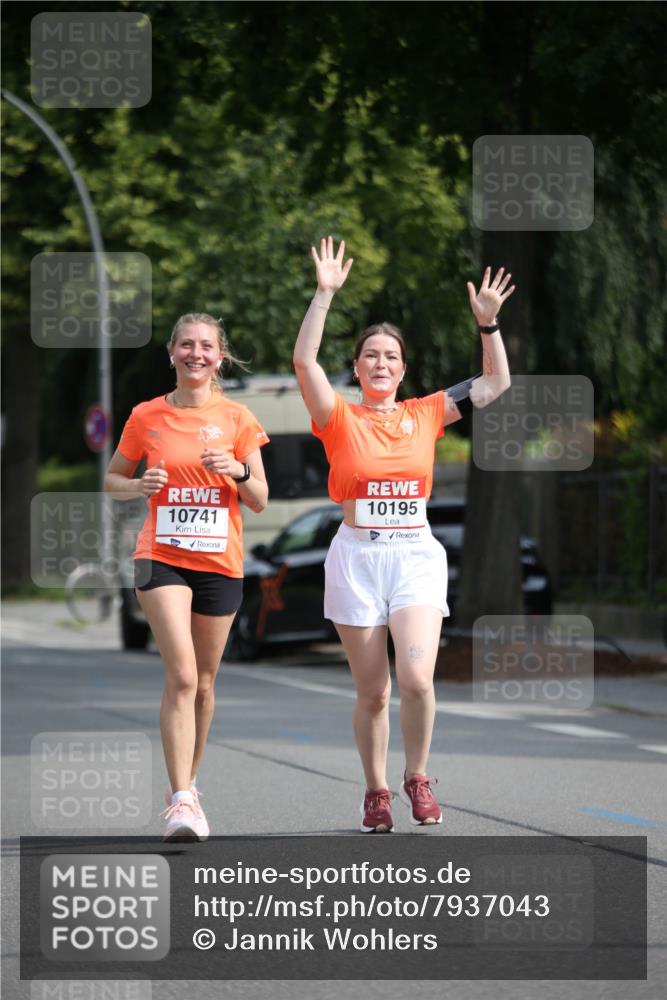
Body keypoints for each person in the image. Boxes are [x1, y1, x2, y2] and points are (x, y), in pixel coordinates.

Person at [293, 237, 513, 832]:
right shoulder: (337, 416)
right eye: (371, 355)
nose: (381, 363)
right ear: (359, 367)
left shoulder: (426, 412)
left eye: (391, 355)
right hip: (357, 559)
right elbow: (305, 364)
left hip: (414, 556)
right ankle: (376, 791)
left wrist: (488, 326)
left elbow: (494, 386)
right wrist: (324, 294)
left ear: (403, 367)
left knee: (415, 678)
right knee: (374, 693)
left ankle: (417, 776)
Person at [105, 313, 269, 841]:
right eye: (186, 345)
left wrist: (236, 470)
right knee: (179, 673)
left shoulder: (239, 418)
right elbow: (112, 479)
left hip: (219, 562)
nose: (196, 353)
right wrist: (140, 486)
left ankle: (189, 785)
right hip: (162, 557)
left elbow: (261, 499)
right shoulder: (146, 415)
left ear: (220, 356)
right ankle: (179, 802)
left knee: (203, 683)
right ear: (172, 353)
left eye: (207, 346)